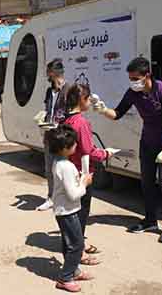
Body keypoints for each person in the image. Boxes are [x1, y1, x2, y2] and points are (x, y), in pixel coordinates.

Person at [95, 57, 162, 243]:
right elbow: (117, 114)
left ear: (147, 75)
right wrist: (102, 110)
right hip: (147, 144)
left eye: (135, 78)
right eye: (131, 79)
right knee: (147, 183)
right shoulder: (133, 93)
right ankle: (150, 220)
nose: (133, 82)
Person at [63, 83, 117, 264]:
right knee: (80, 214)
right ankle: (78, 253)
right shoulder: (82, 123)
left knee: (73, 213)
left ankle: (79, 245)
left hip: (70, 171)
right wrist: (107, 153)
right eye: (87, 99)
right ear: (82, 100)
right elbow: (89, 151)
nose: (89, 103)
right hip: (83, 175)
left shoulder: (66, 119)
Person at [45, 125, 94, 293]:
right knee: (77, 245)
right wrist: (84, 183)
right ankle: (65, 277)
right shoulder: (65, 166)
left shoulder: (59, 162)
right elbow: (74, 194)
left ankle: (73, 270)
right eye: (74, 144)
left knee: (69, 243)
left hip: (64, 210)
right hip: (68, 211)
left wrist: (78, 178)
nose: (76, 145)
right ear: (65, 148)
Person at [36, 59, 71, 211]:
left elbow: (71, 112)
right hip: (49, 134)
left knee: (63, 169)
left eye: (49, 73)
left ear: (55, 73)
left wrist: (61, 124)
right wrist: (42, 118)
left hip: (63, 136)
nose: (47, 76)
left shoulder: (69, 89)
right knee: (49, 169)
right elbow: (48, 110)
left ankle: (66, 197)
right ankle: (50, 197)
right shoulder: (49, 91)